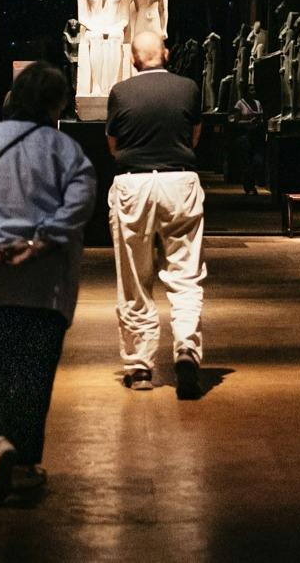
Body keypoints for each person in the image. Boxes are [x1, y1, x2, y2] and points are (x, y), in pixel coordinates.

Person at [0, 63, 97, 506]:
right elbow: (79, 201)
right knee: (33, 371)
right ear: (56, 104)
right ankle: (24, 464)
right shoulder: (66, 150)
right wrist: (37, 242)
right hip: (41, 282)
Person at [105, 30, 207, 399]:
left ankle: (140, 365)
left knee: (134, 278)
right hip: (179, 180)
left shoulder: (120, 92)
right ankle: (186, 350)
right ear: (165, 53)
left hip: (132, 183)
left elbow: (113, 145)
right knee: (185, 274)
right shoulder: (188, 88)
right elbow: (194, 135)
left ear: (134, 59)